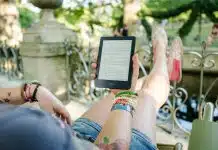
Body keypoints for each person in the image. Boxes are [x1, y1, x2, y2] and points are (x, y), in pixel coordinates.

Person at [0, 26, 183, 150]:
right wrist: (124, 96)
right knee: (147, 96)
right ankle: (161, 55)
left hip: (76, 134)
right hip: (109, 145)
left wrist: (33, 91)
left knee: (133, 88)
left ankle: (164, 68)